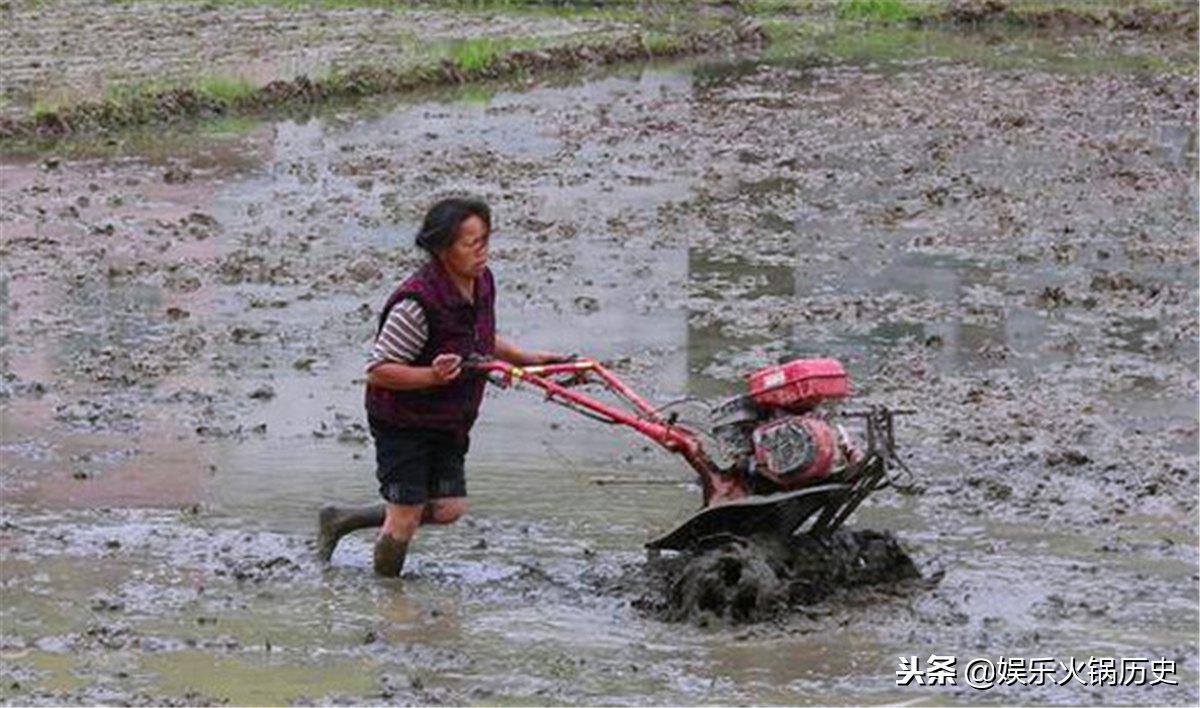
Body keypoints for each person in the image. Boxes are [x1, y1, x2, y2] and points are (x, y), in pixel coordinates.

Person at [316, 197, 563, 576]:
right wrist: (430, 376)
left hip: (448, 419)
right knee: (405, 517)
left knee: (449, 508)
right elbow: (379, 369)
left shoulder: (482, 282)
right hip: (403, 421)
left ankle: (342, 519)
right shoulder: (417, 303)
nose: (482, 252)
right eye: (471, 244)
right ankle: (388, 602)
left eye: (485, 241)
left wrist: (526, 358)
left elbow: (480, 335)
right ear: (442, 249)